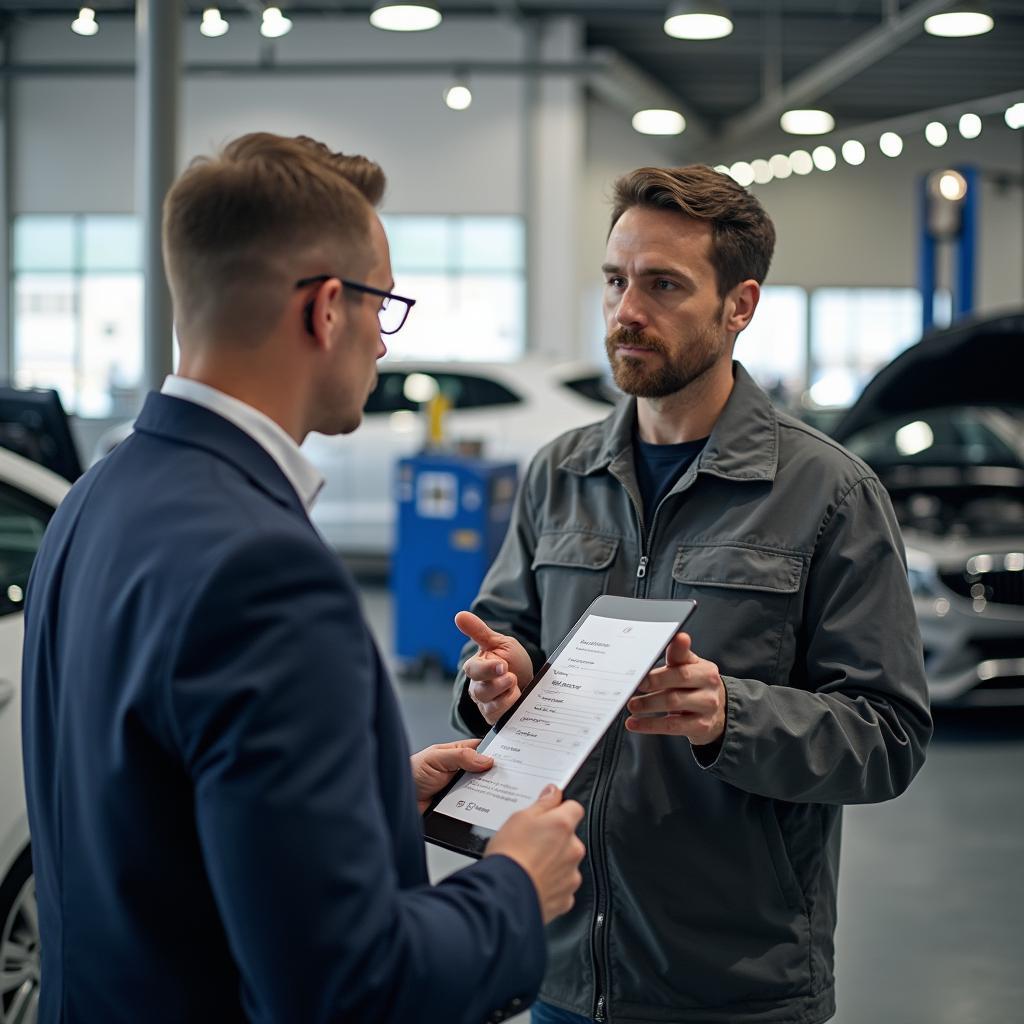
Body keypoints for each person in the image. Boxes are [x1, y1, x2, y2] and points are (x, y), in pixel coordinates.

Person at [21, 132, 586, 1024]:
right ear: (327, 309)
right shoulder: (266, 571)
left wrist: (362, 800)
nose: (383, 343)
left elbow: (146, 808)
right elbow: (343, 988)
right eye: (384, 305)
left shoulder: (95, 497)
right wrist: (517, 886)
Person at [451, 164, 932, 1024]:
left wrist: (729, 716)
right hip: (559, 963)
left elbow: (888, 734)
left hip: (732, 983)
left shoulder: (829, 494)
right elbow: (505, 635)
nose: (626, 310)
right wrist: (493, 681)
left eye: (663, 285)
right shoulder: (560, 473)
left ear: (739, 305)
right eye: (614, 280)